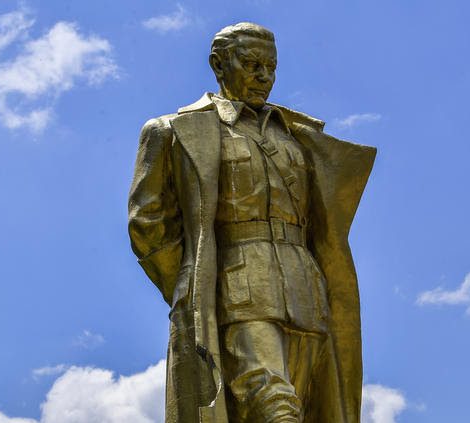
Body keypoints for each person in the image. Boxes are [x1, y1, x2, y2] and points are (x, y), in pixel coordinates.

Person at [128, 22, 375, 423]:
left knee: (301, 406)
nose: (263, 76)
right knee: (273, 402)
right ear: (218, 65)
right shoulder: (174, 131)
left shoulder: (296, 135)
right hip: (235, 285)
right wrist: (195, 283)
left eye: (270, 67)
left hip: (307, 290)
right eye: (251, 64)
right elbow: (148, 223)